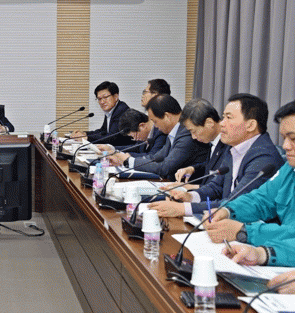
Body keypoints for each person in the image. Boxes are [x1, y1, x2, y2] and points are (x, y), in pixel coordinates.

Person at [152, 94, 283, 217]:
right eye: (223, 117)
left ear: (251, 125)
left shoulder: (264, 157)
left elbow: (235, 203)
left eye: (229, 118)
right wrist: (190, 196)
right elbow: (216, 187)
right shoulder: (234, 148)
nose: (221, 123)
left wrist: (183, 209)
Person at [204, 100, 295, 246]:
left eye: (293, 139)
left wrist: (244, 232)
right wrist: (228, 210)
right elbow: (261, 199)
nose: (285, 146)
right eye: (284, 138)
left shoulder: (265, 155)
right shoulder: (289, 169)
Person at [109, 94, 210, 178]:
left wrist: (129, 161)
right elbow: (155, 157)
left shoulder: (187, 134)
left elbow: (165, 168)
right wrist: (128, 159)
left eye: (155, 121)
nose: (155, 126)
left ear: (167, 116)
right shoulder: (175, 132)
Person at [71, 81, 133, 146]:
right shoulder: (111, 110)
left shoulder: (121, 110)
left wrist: (87, 138)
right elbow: (103, 131)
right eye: (99, 99)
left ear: (115, 97)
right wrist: (85, 134)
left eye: (105, 97)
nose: (102, 102)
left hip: (125, 149)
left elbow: (113, 137)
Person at [99, 108, 166, 157]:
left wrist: (123, 156)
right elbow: (136, 148)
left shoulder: (160, 133)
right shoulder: (145, 134)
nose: (135, 139)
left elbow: (152, 156)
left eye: (134, 135)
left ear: (142, 126)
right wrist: (112, 149)